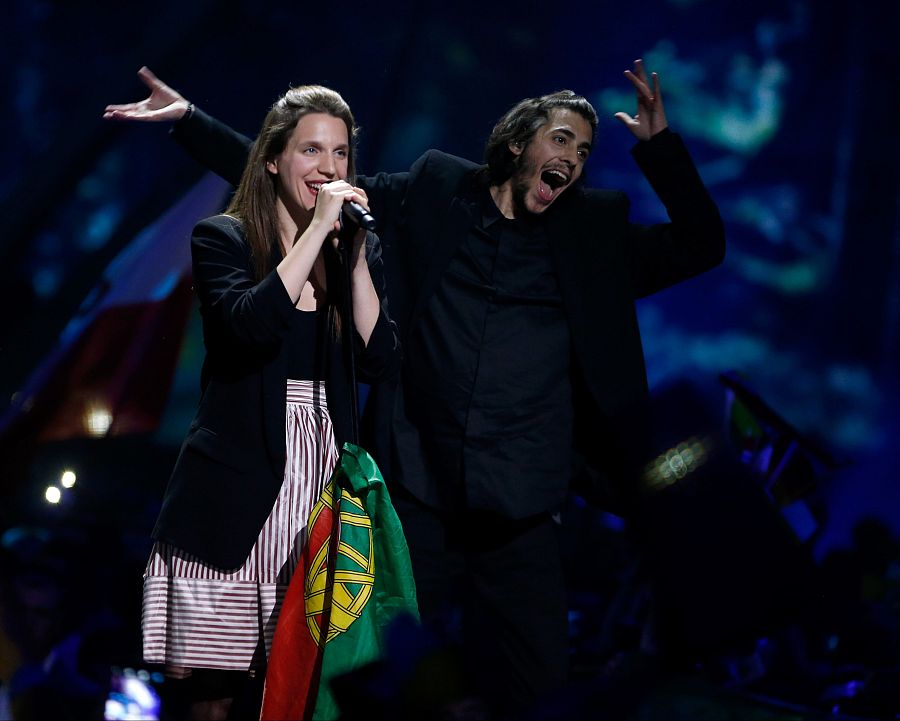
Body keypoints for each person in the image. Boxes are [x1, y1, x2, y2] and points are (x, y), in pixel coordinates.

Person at [106, 60, 724, 717]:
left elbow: (700, 245)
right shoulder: (436, 191)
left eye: (584, 149)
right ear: (518, 141)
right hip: (415, 498)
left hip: (519, 513)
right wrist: (188, 123)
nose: (573, 157)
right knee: (365, 680)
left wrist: (660, 146)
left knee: (537, 692)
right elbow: (317, 186)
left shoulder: (592, 237)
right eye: (562, 138)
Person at [134, 84, 400, 720]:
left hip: (321, 487)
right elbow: (247, 327)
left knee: (301, 683)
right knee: (214, 691)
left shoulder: (350, 251)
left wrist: (357, 259)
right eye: (311, 150)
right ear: (273, 159)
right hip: (237, 483)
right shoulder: (222, 238)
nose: (329, 168)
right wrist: (314, 235)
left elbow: (380, 361)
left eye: (340, 154)